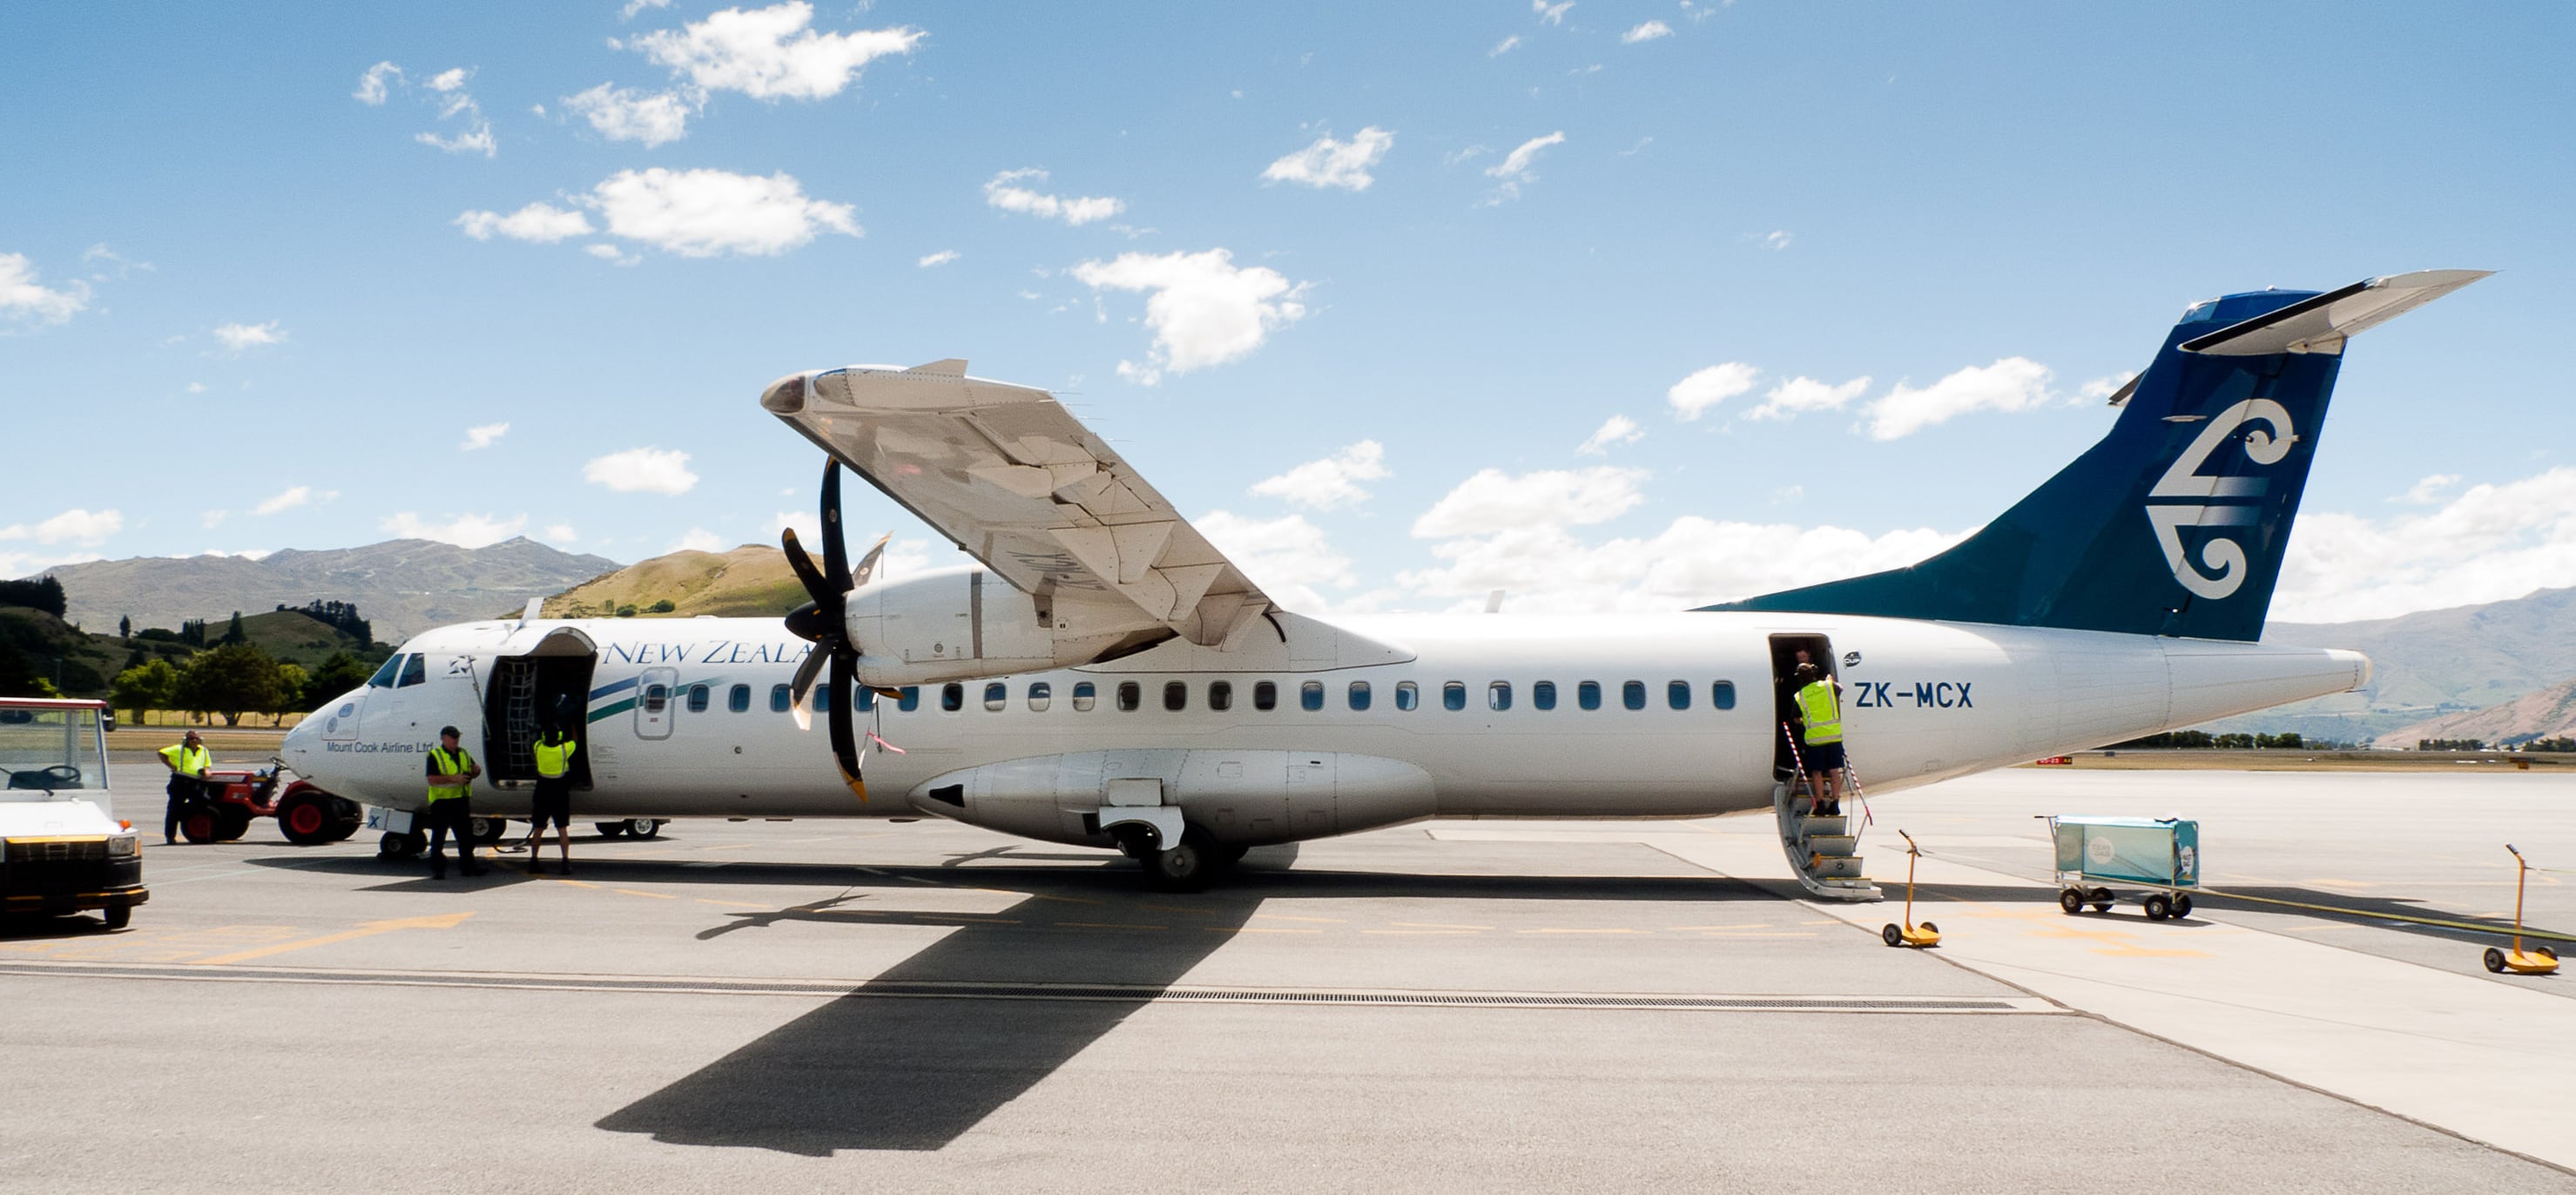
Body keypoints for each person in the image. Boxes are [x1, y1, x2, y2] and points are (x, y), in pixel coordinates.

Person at [423, 726, 486, 879]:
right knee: (439, 838)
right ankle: (438, 870)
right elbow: (431, 779)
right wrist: (453, 778)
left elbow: (472, 769)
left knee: (466, 837)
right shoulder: (435, 755)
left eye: (457, 737)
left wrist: (474, 772)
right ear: (444, 738)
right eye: (453, 737)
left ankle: (468, 868)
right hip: (442, 802)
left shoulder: (463, 753)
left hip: (460, 801)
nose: (456, 740)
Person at [1791, 663, 1846, 816]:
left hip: (1815, 739)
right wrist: (1831, 679)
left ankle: (1820, 803)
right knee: (1834, 771)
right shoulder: (1828, 686)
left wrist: (1807, 722)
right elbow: (1840, 689)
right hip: (1834, 736)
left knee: (1817, 773)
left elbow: (1796, 719)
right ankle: (1835, 803)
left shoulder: (1800, 695)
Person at [525, 724, 578, 875]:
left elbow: (536, 741)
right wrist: (574, 726)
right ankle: (565, 862)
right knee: (562, 829)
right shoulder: (564, 749)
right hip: (559, 793)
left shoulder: (538, 748)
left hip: (542, 791)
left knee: (538, 829)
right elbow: (575, 740)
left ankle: (534, 860)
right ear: (559, 736)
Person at [157, 730, 212, 844]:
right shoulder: (179, 749)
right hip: (180, 781)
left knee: (204, 803)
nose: (194, 741)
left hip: (196, 782)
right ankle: (170, 837)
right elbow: (161, 753)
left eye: (197, 739)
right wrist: (171, 766)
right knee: (173, 810)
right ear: (186, 740)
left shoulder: (204, 751)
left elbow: (207, 765)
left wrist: (206, 772)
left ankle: (200, 831)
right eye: (191, 739)